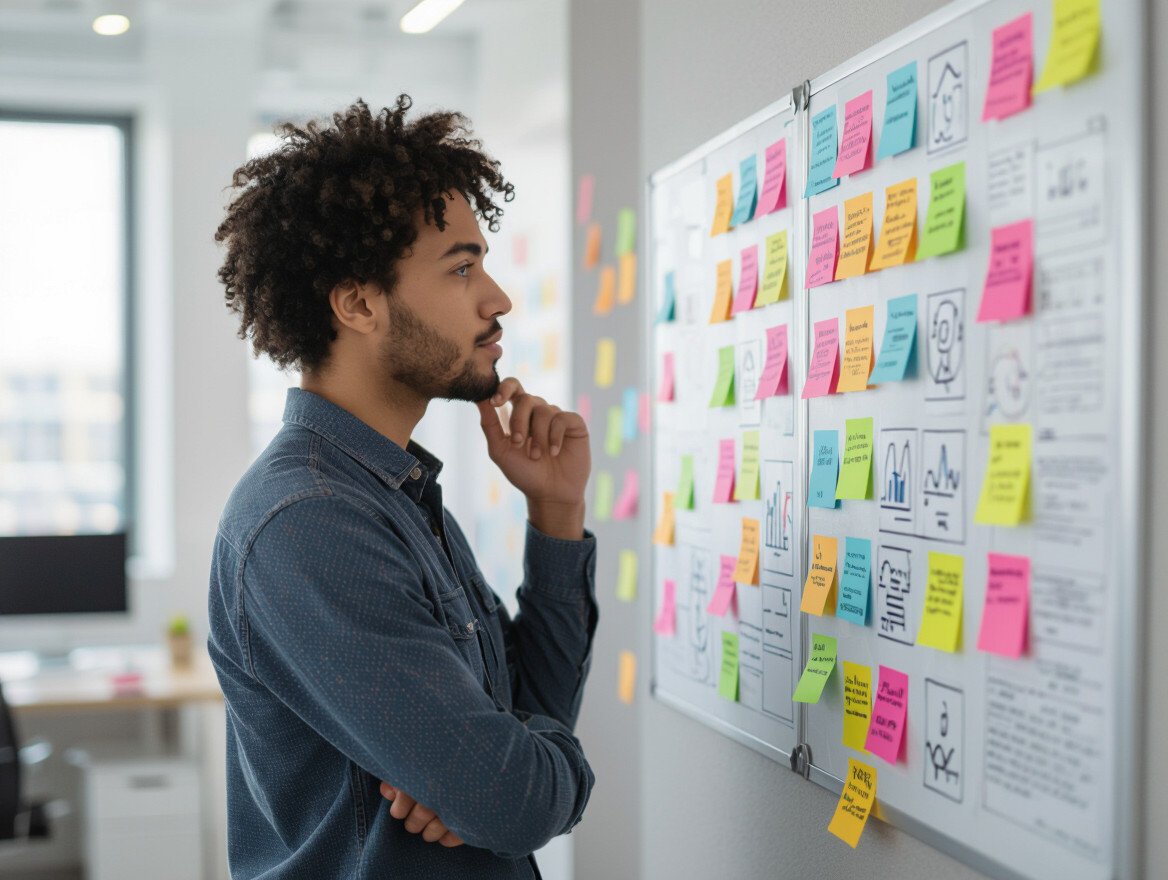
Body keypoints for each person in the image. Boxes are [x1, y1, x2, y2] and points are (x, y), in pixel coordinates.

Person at [207, 96, 597, 879]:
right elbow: (515, 803)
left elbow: (530, 712)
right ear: (358, 304)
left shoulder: (396, 494)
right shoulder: (311, 521)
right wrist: (506, 770)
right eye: (461, 268)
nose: (497, 299)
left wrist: (555, 514)